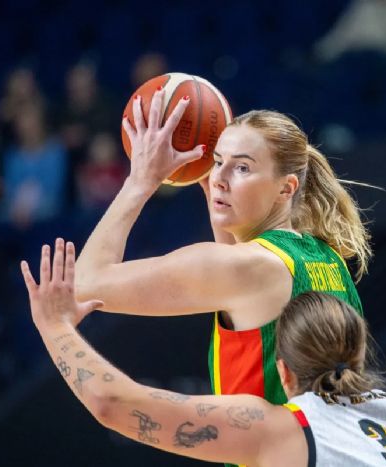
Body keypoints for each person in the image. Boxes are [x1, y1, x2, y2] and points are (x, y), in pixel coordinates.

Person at [21, 240, 386, 466]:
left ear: (283, 372)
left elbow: (113, 403)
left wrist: (54, 325)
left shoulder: (286, 431)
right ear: (359, 349)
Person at [75, 89, 370, 407]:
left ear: (286, 188)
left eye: (242, 168)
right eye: (217, 162)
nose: (218, 178)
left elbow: (84, 285)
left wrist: (139, 181)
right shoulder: (329, 257)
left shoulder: (247, 268)